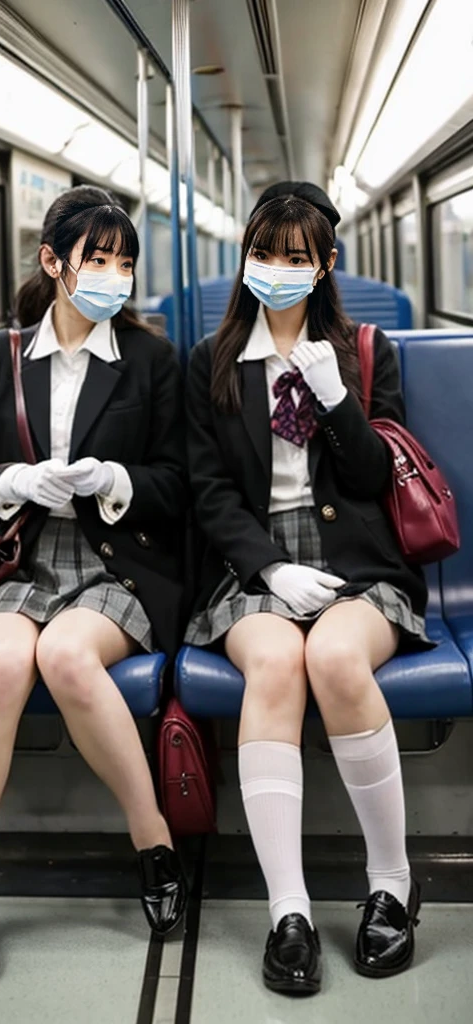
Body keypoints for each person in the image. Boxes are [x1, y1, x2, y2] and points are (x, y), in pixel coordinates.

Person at [185, 181, 430, 996]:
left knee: (332, 656)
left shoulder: (366, 352)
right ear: (245, 258)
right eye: (264, 253)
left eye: (296, 257)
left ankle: (391, 879)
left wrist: (335, 400)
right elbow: (209, 489)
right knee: (277, 663)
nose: (277, 269)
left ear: (326, 264)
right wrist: (267, 566)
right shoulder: (212, 363)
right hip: (254, 565)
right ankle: (287, 909)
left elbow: (369, 479)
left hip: (358, 559)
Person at [0, 185, 187, 986]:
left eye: (125, 261)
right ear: (53, 262)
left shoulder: (151, 361)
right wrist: (14, 481)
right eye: (98, 258)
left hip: (114, 558)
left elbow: (178, 482)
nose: (114, 275)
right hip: (17, 556)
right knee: (10, 660)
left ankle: (152, 841)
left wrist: (114, 478)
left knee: (70, 659)